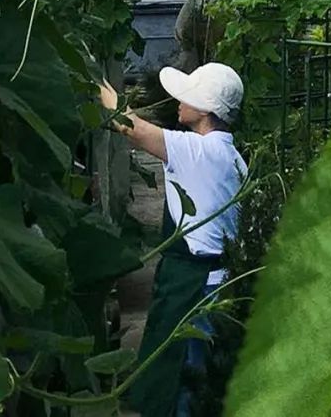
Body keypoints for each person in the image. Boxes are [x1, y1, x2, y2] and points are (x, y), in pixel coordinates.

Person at [99, 62, 246, 417]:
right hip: (207, 276)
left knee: (184, 377)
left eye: (188, 96)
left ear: (206, 109)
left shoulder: (201, 153)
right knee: (190, 374)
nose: (178, 100)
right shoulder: (229, 155)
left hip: (195, 283)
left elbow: (129, 126)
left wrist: (95, 80)